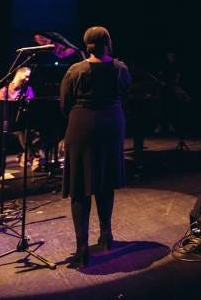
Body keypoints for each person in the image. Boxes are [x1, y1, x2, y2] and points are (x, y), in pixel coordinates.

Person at [60, 26, 131, 269]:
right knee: (106, 181)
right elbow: (126, 92)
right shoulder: (120, 68)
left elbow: (64, 104)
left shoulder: (76, 70)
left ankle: (82, 248)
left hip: (83, 127)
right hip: (112, 125)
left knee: (80, 187)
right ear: (108, 42)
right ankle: (106, 235)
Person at [0, 66, 37, 169]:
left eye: (29, 77)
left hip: (25, 122)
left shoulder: (28, 89)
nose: (27, 80)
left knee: (39, 131)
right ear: (18, 75)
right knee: (21, 131)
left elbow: (32, 106)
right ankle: (33, 158)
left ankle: (24, 155)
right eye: (26, 76)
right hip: (9, 124)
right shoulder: (4, 91)